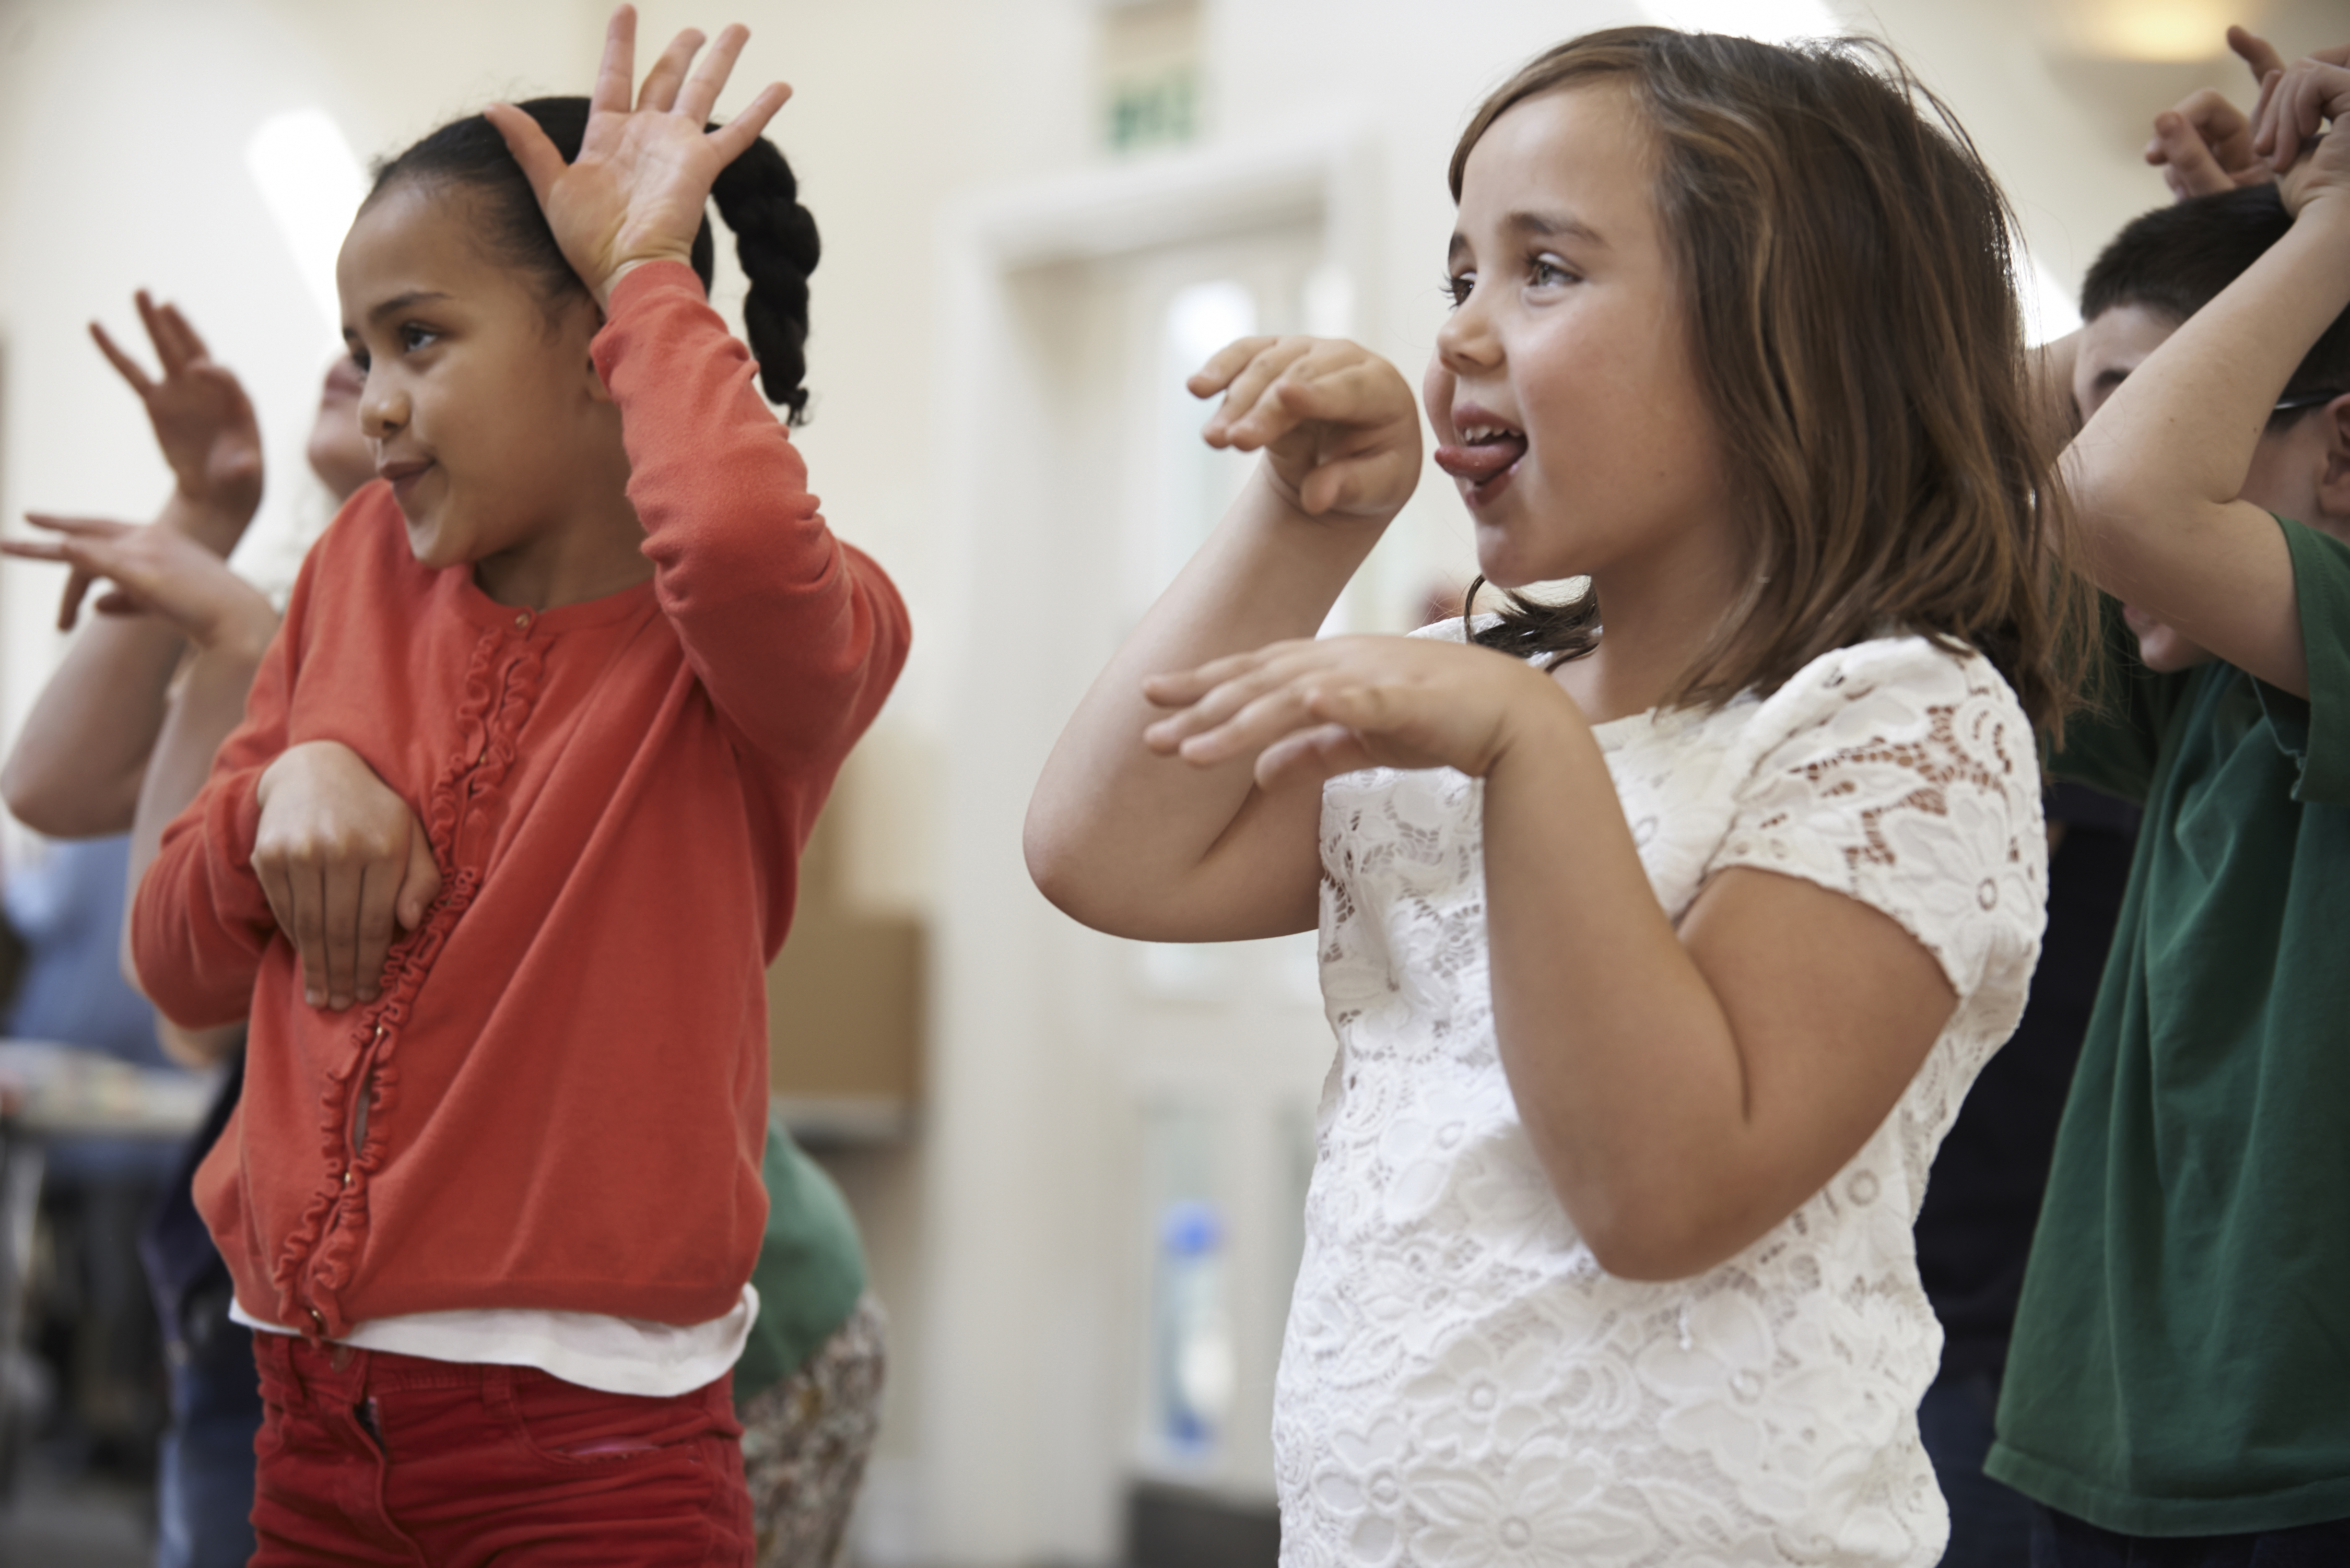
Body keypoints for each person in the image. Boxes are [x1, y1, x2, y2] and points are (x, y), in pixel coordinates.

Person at [1028, 25, 2075, 1567]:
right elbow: (1108, 850)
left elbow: (1661, 1190)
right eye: (1458, 273)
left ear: (1790, 334)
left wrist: (1525, 748)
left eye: (1546, 271)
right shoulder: (1481, 689)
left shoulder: (1897, 717)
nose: (1456, 334)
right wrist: (1303, 522)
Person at [126, 7, 908, 1562]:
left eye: (420, 338)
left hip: (587, 1455)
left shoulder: (782, 636)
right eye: (362, 352)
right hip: (309, 1421)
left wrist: (644, 271)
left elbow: (741, 546)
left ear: (601, 351)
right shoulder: (355, 574)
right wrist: (277, 797)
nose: (377, 401)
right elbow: (178, 955)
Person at [1983, 52, 2350, 1565]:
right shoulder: (2181, 676)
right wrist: (2261, 232)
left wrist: (2327, 235)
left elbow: (2114, 498)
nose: (2091, 449)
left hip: (2298, 1469)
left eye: (2149, 408)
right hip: (2101, 1439)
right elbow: (1954, 428)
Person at [1, 288, 318, 1567]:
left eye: (416, 333)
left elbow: (183, 998)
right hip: (263, 1285)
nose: (363, 374)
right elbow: (52, 785)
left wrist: (241, 629)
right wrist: (204, 512)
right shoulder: (326, 599)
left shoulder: (429, 637)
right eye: (356, 343)